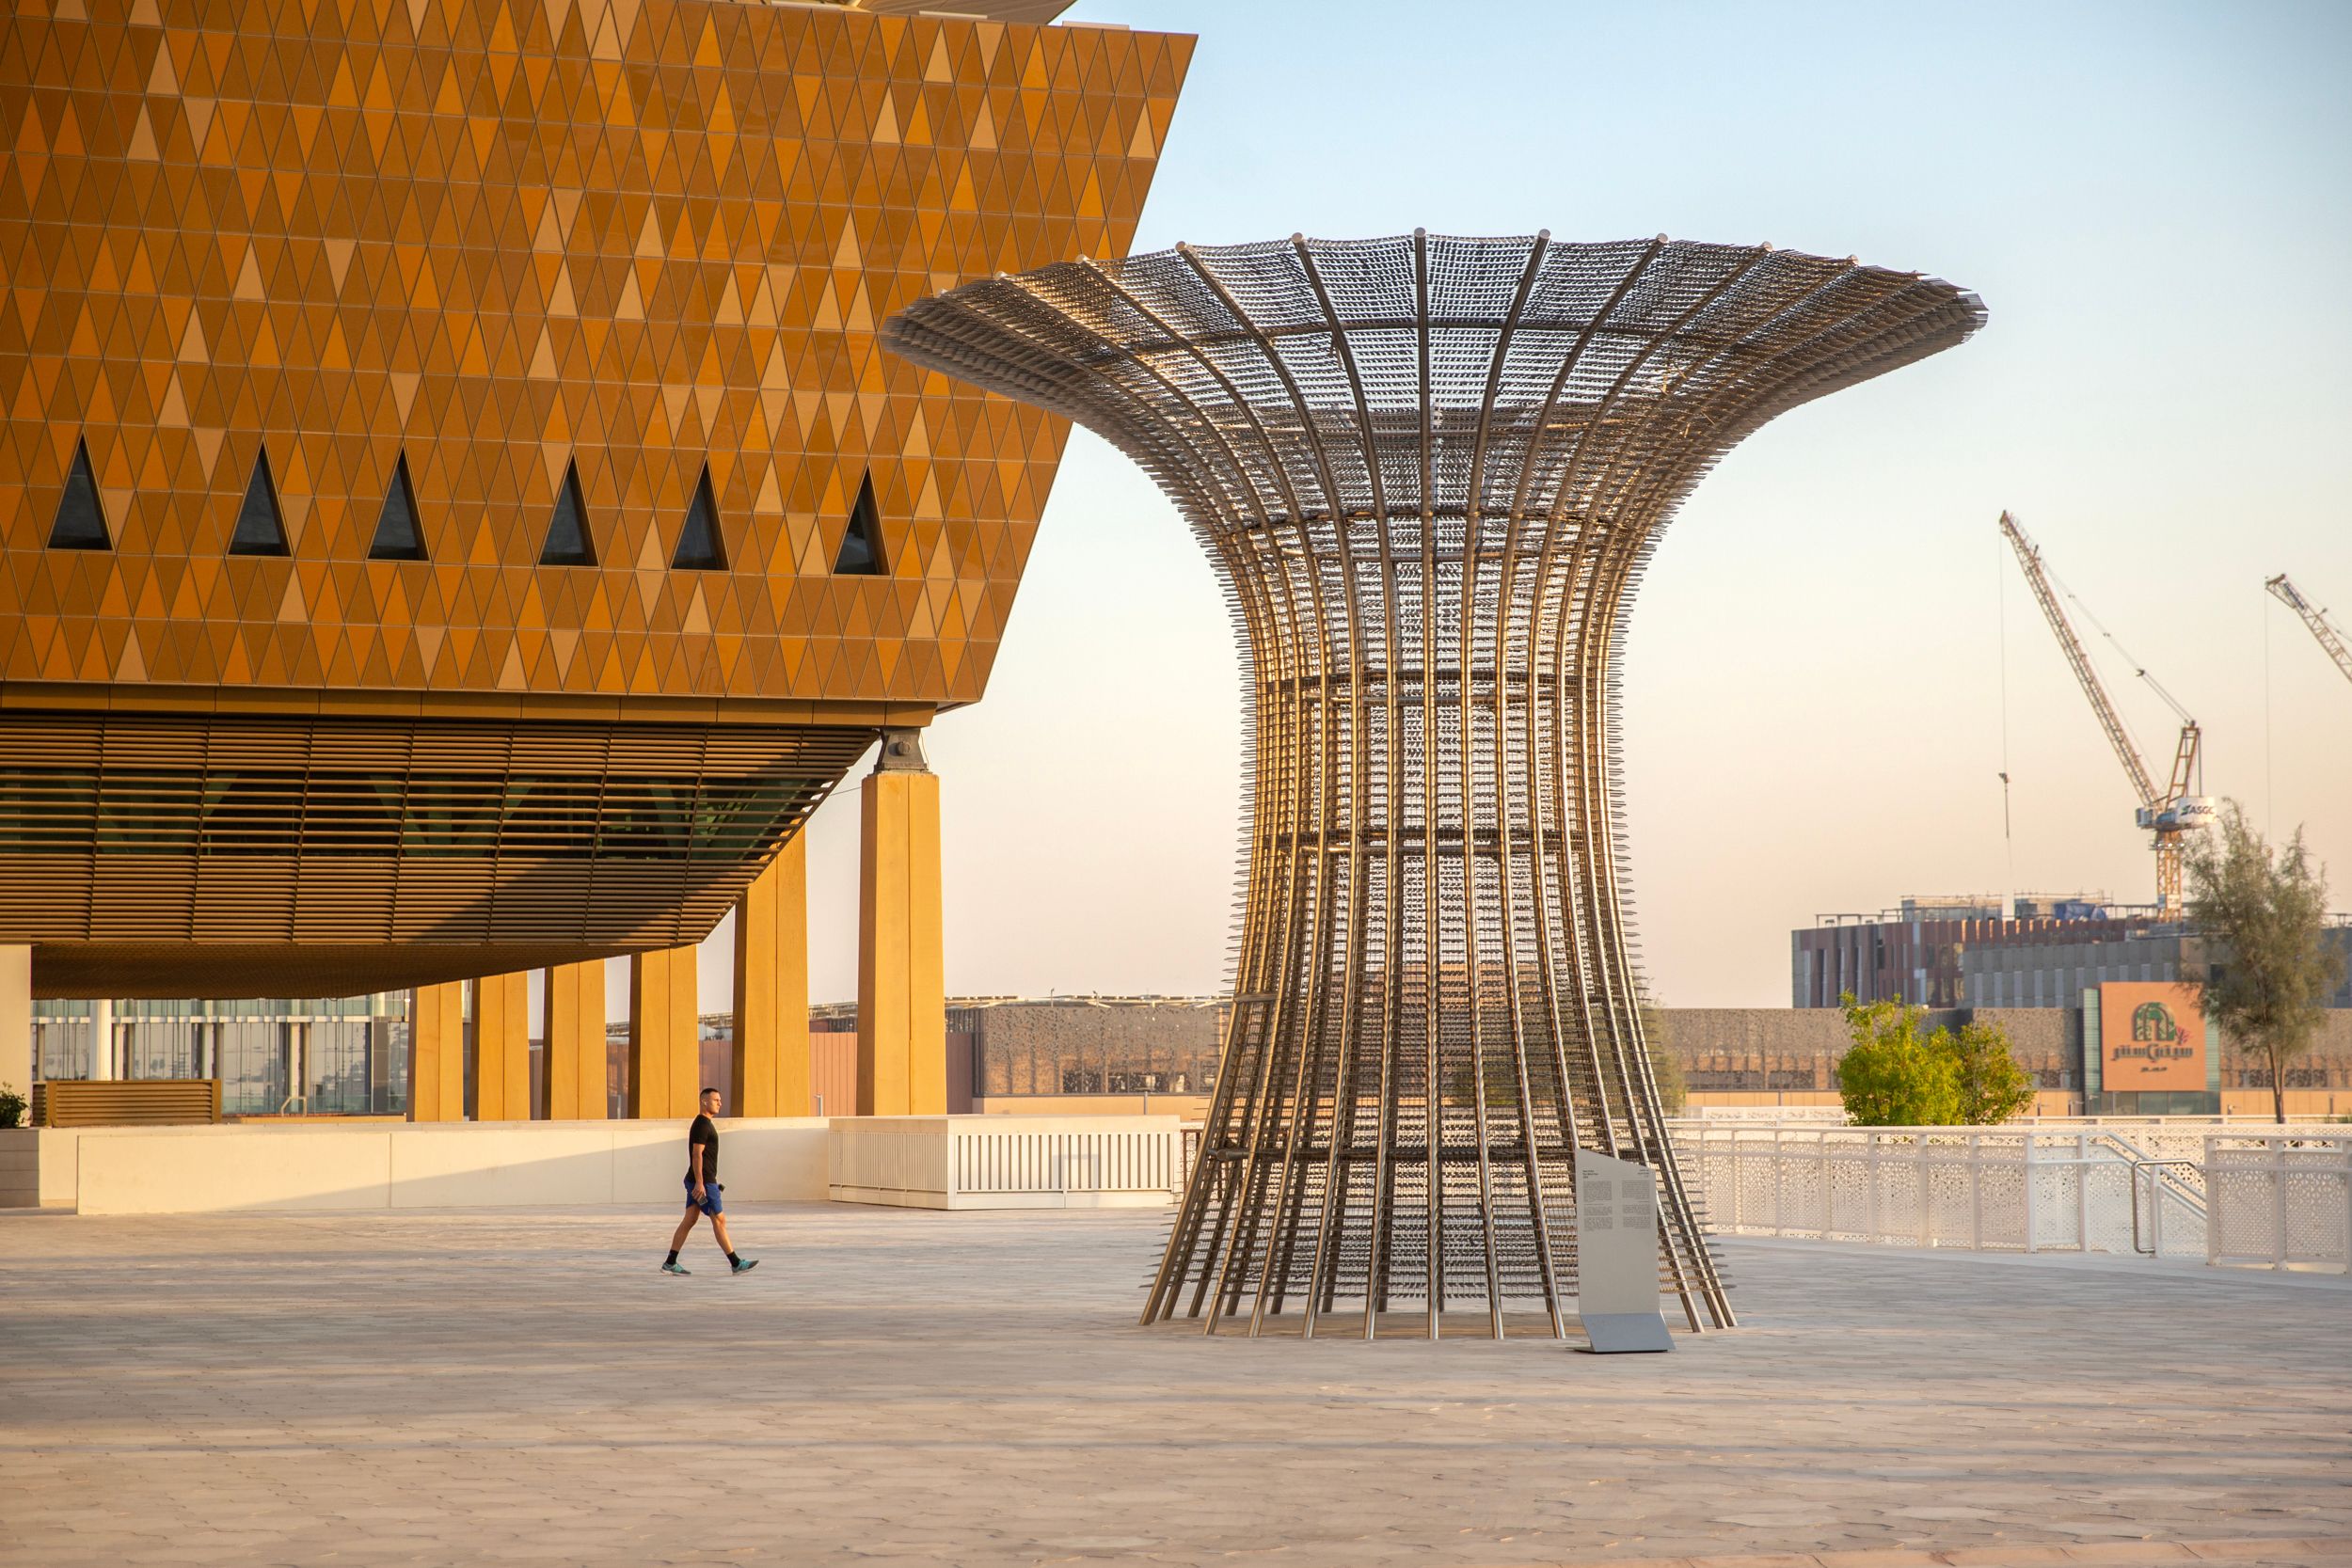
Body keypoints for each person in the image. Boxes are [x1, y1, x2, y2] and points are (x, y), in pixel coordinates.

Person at [661, 1087, 757, 1276]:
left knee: (690, 1220)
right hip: (703, 1182)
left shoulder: (704, 1124)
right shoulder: (702, 1125)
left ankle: (670, 1262)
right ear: (704, 1101)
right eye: (715, 1100)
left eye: (720, 1100)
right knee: (719, 1219)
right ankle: (736, 1263)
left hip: (701, 1180)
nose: (719, 1103)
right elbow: (696, 1155)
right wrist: (700, 1183)